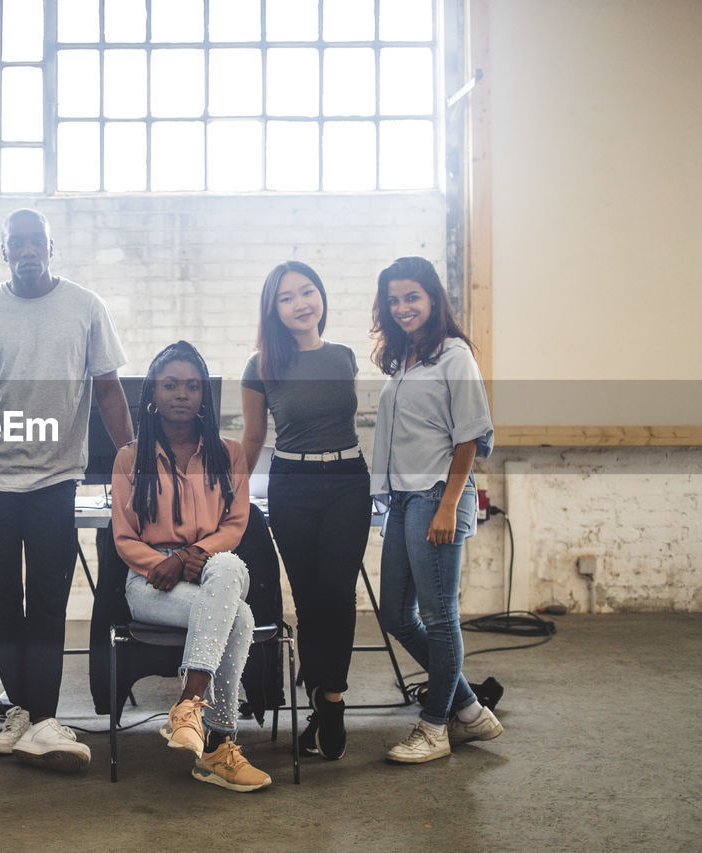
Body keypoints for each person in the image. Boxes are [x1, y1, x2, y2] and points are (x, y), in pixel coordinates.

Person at [0, 208, 133, 772]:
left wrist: (131, 462)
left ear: (51, 247)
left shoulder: (86, 307)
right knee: (3, 603)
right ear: (4, 250)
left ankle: (42, 715)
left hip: (55, 479)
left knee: (48, 602)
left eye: (37, 241)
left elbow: (109, 391)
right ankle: (21, 712)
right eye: (17, 242)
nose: (28, 250)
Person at [110, 341, 270, 792]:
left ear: (204, 397)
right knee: (238, 616)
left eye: (193, 386)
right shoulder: (130, 457)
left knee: (227, 567)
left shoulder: (229, 454)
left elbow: (237, 523)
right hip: (149, 581)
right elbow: (123, 537)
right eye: (171, 384)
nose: (182, 393)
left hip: (207, 568)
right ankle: (219, 746)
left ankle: (189, 704)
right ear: (153, 395)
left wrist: (185, 557)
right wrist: (166, 562)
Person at [370, 256, 503, 764]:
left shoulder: (453, 356)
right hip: (404, 500)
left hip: (436, 496)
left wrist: (448, 505)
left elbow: (470, 434)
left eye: (412, 297)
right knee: (396, 615)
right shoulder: (403, 359)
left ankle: (435, 728)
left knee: (439, 618)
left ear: (432, 299)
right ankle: (470, 710)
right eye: (394, 299)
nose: (402, 308)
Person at [240, 261, 371, 761]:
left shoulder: (343, 357)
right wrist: (231, 491)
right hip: (291, 484)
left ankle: (330, 698)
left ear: (321, 297)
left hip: (346, 481)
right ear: (274, 310)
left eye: (307, 291)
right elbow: (254, 437)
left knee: (339, 591)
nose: (300, 303)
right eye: (287, 297)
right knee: (310, 597)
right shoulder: (262, 365)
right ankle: (320, 698)